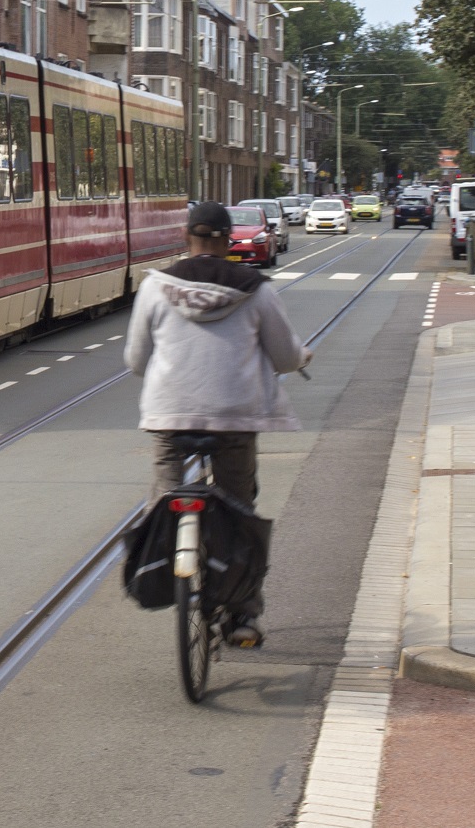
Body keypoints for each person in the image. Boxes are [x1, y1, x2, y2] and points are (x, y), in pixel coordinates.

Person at [124, 200, 311, 649]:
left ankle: (159, 564)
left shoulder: (155, 287)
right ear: (227, 242)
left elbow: (135, 361)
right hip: (234, 418)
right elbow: (285, 357)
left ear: (185, 238)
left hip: (169, 418)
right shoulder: (257, 289)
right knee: (239, 509)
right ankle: (243, 614)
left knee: (164, 498)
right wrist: (301, 357)